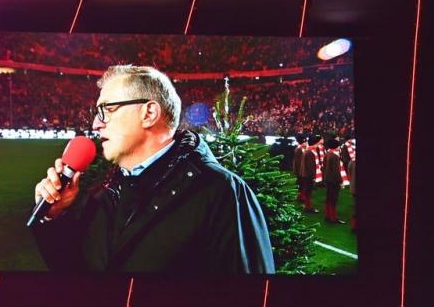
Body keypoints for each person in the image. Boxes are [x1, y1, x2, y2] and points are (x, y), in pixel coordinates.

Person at [30, 65, 275, 274]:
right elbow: (75, 278)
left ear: (149, 113)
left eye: (107, 109)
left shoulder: (222, 192)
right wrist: (53, 217)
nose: (96, 123)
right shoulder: (102, 192)